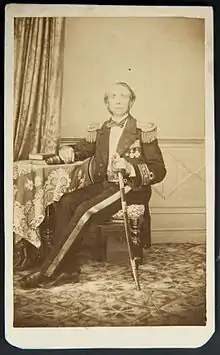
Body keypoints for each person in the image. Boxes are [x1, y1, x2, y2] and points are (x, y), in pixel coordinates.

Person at [21, 81, 167, 289]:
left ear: (131, 102)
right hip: (106, 184)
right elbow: (81, 150)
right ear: (107, 103)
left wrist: (130, 167)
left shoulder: (143, 130)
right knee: (64, 202)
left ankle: (48, 271)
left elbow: (159, 169)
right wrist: (67, 150)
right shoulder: (101, 130)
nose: (118, 100)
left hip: (130, 188)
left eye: (123, 96)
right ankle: (69, 270)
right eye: (113, 96)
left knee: (84, 210)